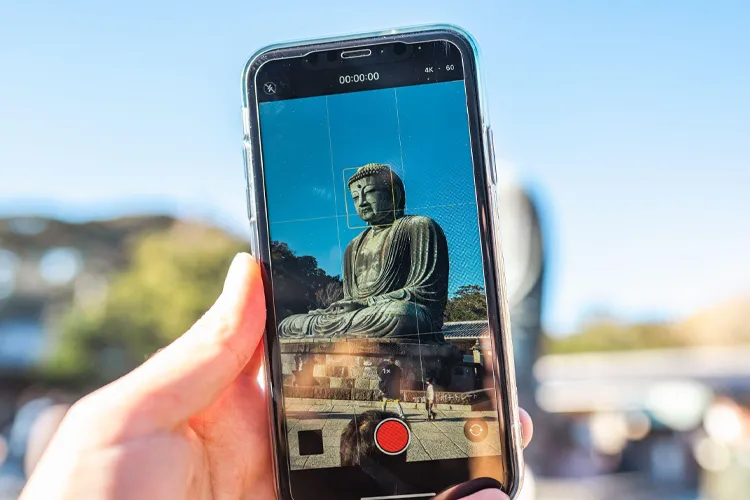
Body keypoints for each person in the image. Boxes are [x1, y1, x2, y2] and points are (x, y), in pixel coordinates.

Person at [18, 253, 532, 500]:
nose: (366, 205)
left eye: (373, 194)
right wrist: (346, 312)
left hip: (404, 316)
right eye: (359, 197)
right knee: (296, 322)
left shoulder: (417, 230)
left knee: (399, 318)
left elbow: (422, 299)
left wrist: (375, 310)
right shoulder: (357, 251)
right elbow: (351, 302)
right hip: (359, 317)